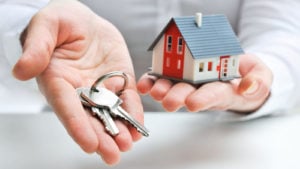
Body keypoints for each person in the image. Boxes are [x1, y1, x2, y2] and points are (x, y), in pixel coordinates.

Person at [1, 0, 300, 165]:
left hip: (225, 147)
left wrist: (263, 75)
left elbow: (283, 33)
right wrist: (31, 29)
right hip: (60, 141)